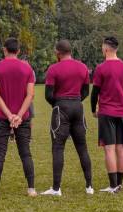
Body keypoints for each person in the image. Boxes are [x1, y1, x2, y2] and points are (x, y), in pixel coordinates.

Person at [0, 37, 37, 198]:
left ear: (4, 49)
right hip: (23, 116)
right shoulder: (27, 69)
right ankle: (31, 189)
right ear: (19, 51)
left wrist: (9, 115)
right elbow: (30, 95)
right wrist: (19, 115)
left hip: (2, 116)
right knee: (25, 152)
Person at [41, 40, 93, 196]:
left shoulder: (53, 69)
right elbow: (85, 92)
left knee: (58, 148)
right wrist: (75, 101)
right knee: (82, 147)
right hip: (78, 107)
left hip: (61, 107)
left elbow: (48, 95)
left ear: (58, 52)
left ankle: (56, 188)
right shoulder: (83, 67)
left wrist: (58, 104)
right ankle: (89, 186)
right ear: (70, 51)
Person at [91, 36, 123, 193]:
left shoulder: (101, 68)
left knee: (109, 148)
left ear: (106, 48)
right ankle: (119, 184)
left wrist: (93, 109)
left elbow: (95, 92)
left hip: (107, 112)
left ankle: (113, 185)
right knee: (121, 148)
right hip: (122, 112)